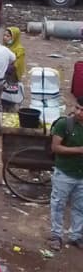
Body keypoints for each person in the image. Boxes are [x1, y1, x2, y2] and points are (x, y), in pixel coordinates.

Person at [49, 95, 83, 251]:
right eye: (77, 108)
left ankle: (76, 237)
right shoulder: (65, 124)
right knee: (58, 205)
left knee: (80, 207)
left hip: (81, 176)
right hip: (64, 173)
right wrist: (79, 150)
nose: (79, 112)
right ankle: (56, 236)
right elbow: (55, 148)